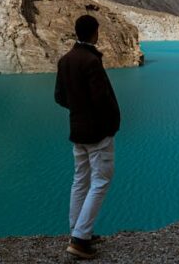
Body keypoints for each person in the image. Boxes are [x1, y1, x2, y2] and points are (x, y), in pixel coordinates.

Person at [54, 15, 121, 259]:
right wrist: (111, 124)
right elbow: (101, 99)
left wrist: (78, 110)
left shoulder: (65, 60)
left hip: (77, 130)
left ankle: (78, 228)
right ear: (94, 33)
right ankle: (80, 239)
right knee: (101, 180)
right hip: (97, 132)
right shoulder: (91, 62)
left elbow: (59, 97)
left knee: (80, 180)